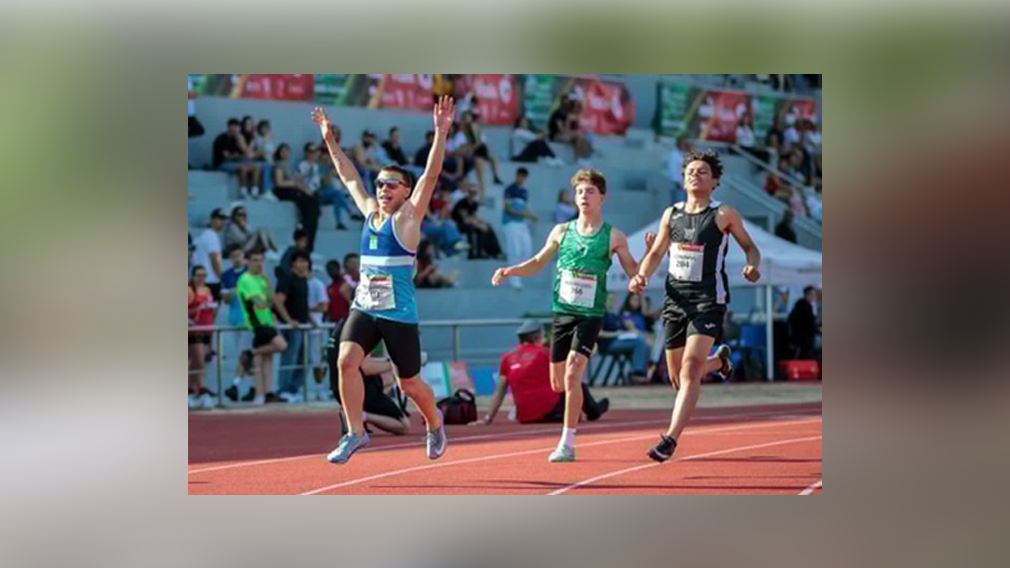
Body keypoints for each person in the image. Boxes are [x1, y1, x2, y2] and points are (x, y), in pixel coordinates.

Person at [313, 96, 456, 464]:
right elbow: (348, 176)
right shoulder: (369, 214)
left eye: (392, 184)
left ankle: (433, 421)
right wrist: (330, 141)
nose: (382, 189)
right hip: (365, 307)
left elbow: (432, 175)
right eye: (380, 183)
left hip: (398, 314)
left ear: (405, 192)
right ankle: (356, 433)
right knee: (345, 361)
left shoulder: (407, 220)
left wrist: (440, 133)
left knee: (409, 384)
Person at [491, 168, 654, 463]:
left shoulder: (613, 236)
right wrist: (511, 270)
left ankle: (567, 442)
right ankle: (575, 416)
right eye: (579, 191)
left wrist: (642, 270)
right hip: (562, 313)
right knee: (558, 383)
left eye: (590, 191)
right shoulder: (561, 231)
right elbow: (539, 262)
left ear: (602, 197)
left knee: (574, 369)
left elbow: (633, 273)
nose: (584, 196)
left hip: (590, 315)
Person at [629, 150, 761, 463]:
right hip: (675, 300)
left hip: (707, 299)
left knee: (690, 370)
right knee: (677, 378)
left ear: (715, 181)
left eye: (702, 172)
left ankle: (669, 440)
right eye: (690, 170)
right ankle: (719, 363)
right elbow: (657, 252)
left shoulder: (723, 213)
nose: (694, 175)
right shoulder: (670, 214)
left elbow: (750, 248)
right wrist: (641, 276)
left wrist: (752, 266)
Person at [470, 320, 609, 426]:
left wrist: (488, 418)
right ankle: (594, 411)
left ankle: (592, 409)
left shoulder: (507, 358)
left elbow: (500, 390)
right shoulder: (546, 353)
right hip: (552, 413)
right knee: (574, 379)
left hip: (525, 417)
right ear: (538, 336)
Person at [328, 319, 411, 437]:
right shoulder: (362, 326)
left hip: (339, 386)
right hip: (357, 388)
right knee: (404, 425)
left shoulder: (343, 323)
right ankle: (361, 416)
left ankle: (354, 412)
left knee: (389, 378)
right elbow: (366, 368)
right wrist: (401, 363)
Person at [236, 250, 289, 406]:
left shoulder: (262, 279)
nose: (258, 263)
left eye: (260, 260)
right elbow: (259, 302)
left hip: (267, 322)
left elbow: (271, 299)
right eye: (255, 260)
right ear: (248, 262)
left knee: (264, 360)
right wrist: (267, 304)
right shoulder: (245, 279)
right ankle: (250, 354)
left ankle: (264, 393)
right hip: (257, 324)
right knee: (281, 345)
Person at [274, 250, 313, 402]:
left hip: (304, 326)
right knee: (290, 358)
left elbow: (302, 303)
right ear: (293, 263)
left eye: (305, 262)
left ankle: (294, 388)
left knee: (306, 359)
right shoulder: (287, 279)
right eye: (300, 262)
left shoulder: (304, 280)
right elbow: (277, 301)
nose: (303, 265)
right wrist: (288, 320)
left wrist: (311, 319)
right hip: (292, 328)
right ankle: (283, 389)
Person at [272, 143, 321, 253]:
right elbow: (285, 182)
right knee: (307, 210)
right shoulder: (286, 165)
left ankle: (310, 247)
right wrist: (301, 187)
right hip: (292, 192)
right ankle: (305, 244)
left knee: (314, 213)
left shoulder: (315, 167)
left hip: (305, 192)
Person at [220, 245, 253, 401]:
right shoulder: (226, 275)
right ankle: (251, 386)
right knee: (244, 354)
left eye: (238, 255)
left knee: (246, 354)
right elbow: (225, 298)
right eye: (233, 256)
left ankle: (237, 384)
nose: (236, 259)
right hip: (234, 319)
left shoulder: (249, 273)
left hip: (249, 320)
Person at [501, 167, 537, 289]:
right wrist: (523, 214)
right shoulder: (509, 190)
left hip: (521, 224)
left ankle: (518, 275)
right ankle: (513, 279)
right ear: (516, 176)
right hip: (510, 223)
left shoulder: (524, 192)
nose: (521, 179)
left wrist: (531, 216)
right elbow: (508, 208)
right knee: (514, 250)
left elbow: (524, 208)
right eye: (519, 176)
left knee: (527, 249)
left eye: (523, 177)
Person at [188, 265, 218, 410]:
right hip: (195, 331)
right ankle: (200, 390)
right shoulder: (189, 291)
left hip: (207, 329)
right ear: (193, 276)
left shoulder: (207, 290)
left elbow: (211, 309)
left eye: (204, 276)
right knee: (198, 361)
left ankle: (194, 392)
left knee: (198, 363)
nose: (201, 279)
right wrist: (198, 309)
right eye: (198, 275)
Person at [452, 184, 503, 259]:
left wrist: (482, 223)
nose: (472, 195)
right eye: (471, 192)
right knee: (472, 229)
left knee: (487, 227)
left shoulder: (475, 204)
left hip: (470, 222)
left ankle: (490, 251)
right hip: (460, 224)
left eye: (474, 193)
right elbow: (465, 219)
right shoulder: (462, 203)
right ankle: (471, 253)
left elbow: (473, 216)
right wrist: (479, 225)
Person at [213, 118, 261, 198]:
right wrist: (239, 156)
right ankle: (243, 192)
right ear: (228, 127)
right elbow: (227, 157)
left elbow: (246, 153)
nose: (235, 129)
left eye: (237, 127)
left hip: (235, 162)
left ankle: (254, 192)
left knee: (256, 168)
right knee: (242, 168)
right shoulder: (222, 139)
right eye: (233, 127)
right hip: (222, 163)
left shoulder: (237, 139)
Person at [307, 264, 331, 402]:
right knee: (304, 359)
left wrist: (307, 311)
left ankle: (320, 387)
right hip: (305, 327)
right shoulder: (298, 284)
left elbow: (323, 306)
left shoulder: (317, 285)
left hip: (316, 328)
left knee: (318, 359)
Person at [192, 208, 226, 304]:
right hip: (211, 281)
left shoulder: (202, 236)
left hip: (201, 280)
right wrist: (221, 278)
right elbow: (214, 259)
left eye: (223, 219)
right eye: (219, 219)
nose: (221, 222)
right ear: (212, 220)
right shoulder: (212, 236)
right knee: (210, 314)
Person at [788, 286, 821, 360]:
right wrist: (818, 330)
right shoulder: (805, 306)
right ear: (807, 295)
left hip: (799, 337)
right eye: (813, 294)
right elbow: (810, 323)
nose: (815, 296)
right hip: (804, 339)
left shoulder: (800, 305)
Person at [666, 135, 693, 204]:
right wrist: (677, 182)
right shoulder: (674, 154)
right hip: (678, 186)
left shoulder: (684, 154)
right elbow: (673, 170)